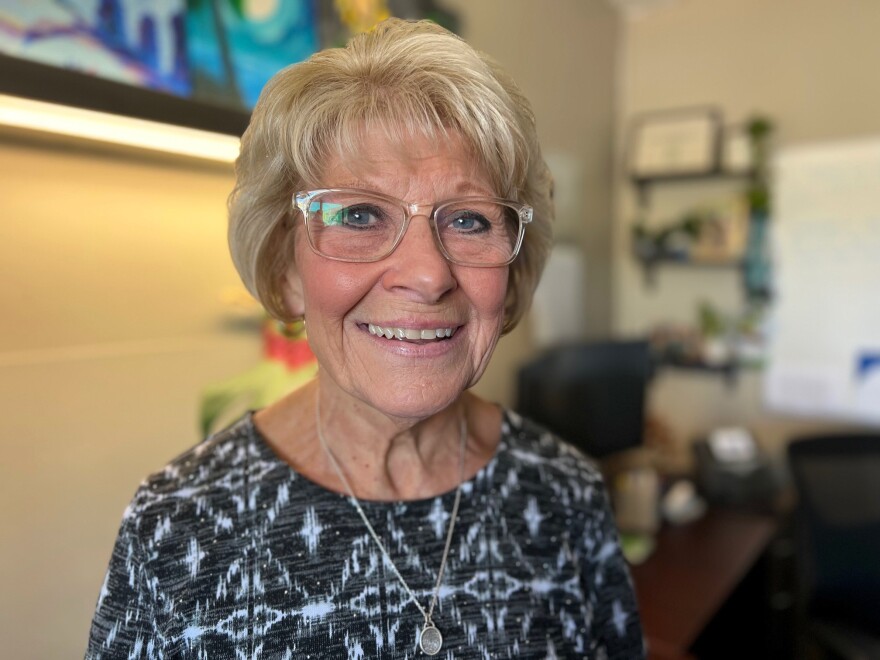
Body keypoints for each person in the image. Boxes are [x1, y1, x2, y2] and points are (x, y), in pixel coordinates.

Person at [86, 18, 644, 659]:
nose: (429, 274)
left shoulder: (566, 492)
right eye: (357, 214)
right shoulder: (179, 524)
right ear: (286, 270)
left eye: (468, 220)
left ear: (512, 277)